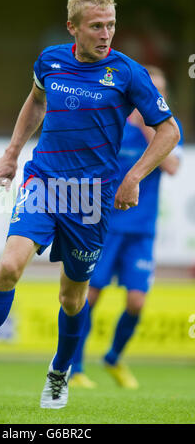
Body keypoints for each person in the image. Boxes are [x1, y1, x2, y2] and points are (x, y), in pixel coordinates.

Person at [0, 0, 180, 409]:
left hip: (92, 201)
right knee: (8, 268)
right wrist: (12, 153)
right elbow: (36, 101)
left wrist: (134, 177)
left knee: (72, 299)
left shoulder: (128, 73)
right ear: (73, 27)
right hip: (44, 184)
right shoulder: (50, 60)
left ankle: (59, 371)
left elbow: (169, 131)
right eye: (96, 26)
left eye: (111, 25)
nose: (106, 33)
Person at [69, 66, 183, 389]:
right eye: (150, 91)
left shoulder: (170, 128)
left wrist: (153, 129)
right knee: (88, 297)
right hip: (105, 227)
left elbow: (172, 166)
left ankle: (113, 357)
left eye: (160, 93)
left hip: (141, 230)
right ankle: (74, 368)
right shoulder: (114, 126)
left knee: (136, 301)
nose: (155, 97)